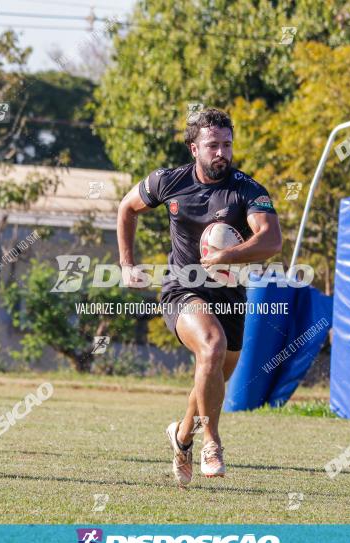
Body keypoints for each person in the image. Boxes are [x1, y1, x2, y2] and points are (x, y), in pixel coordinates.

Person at [117, 108, 282, 486]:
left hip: (230, 296)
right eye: (212, 145)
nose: (221, 152)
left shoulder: (248, 190)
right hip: (182, 288)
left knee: (212, 376)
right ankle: (212, 441)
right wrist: (127, 264)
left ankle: (181, 436)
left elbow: (271, 240)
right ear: (194, 149)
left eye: (227, 144)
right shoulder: (168, 182)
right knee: (211, 344)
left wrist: (228, 256)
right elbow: (127, 208)